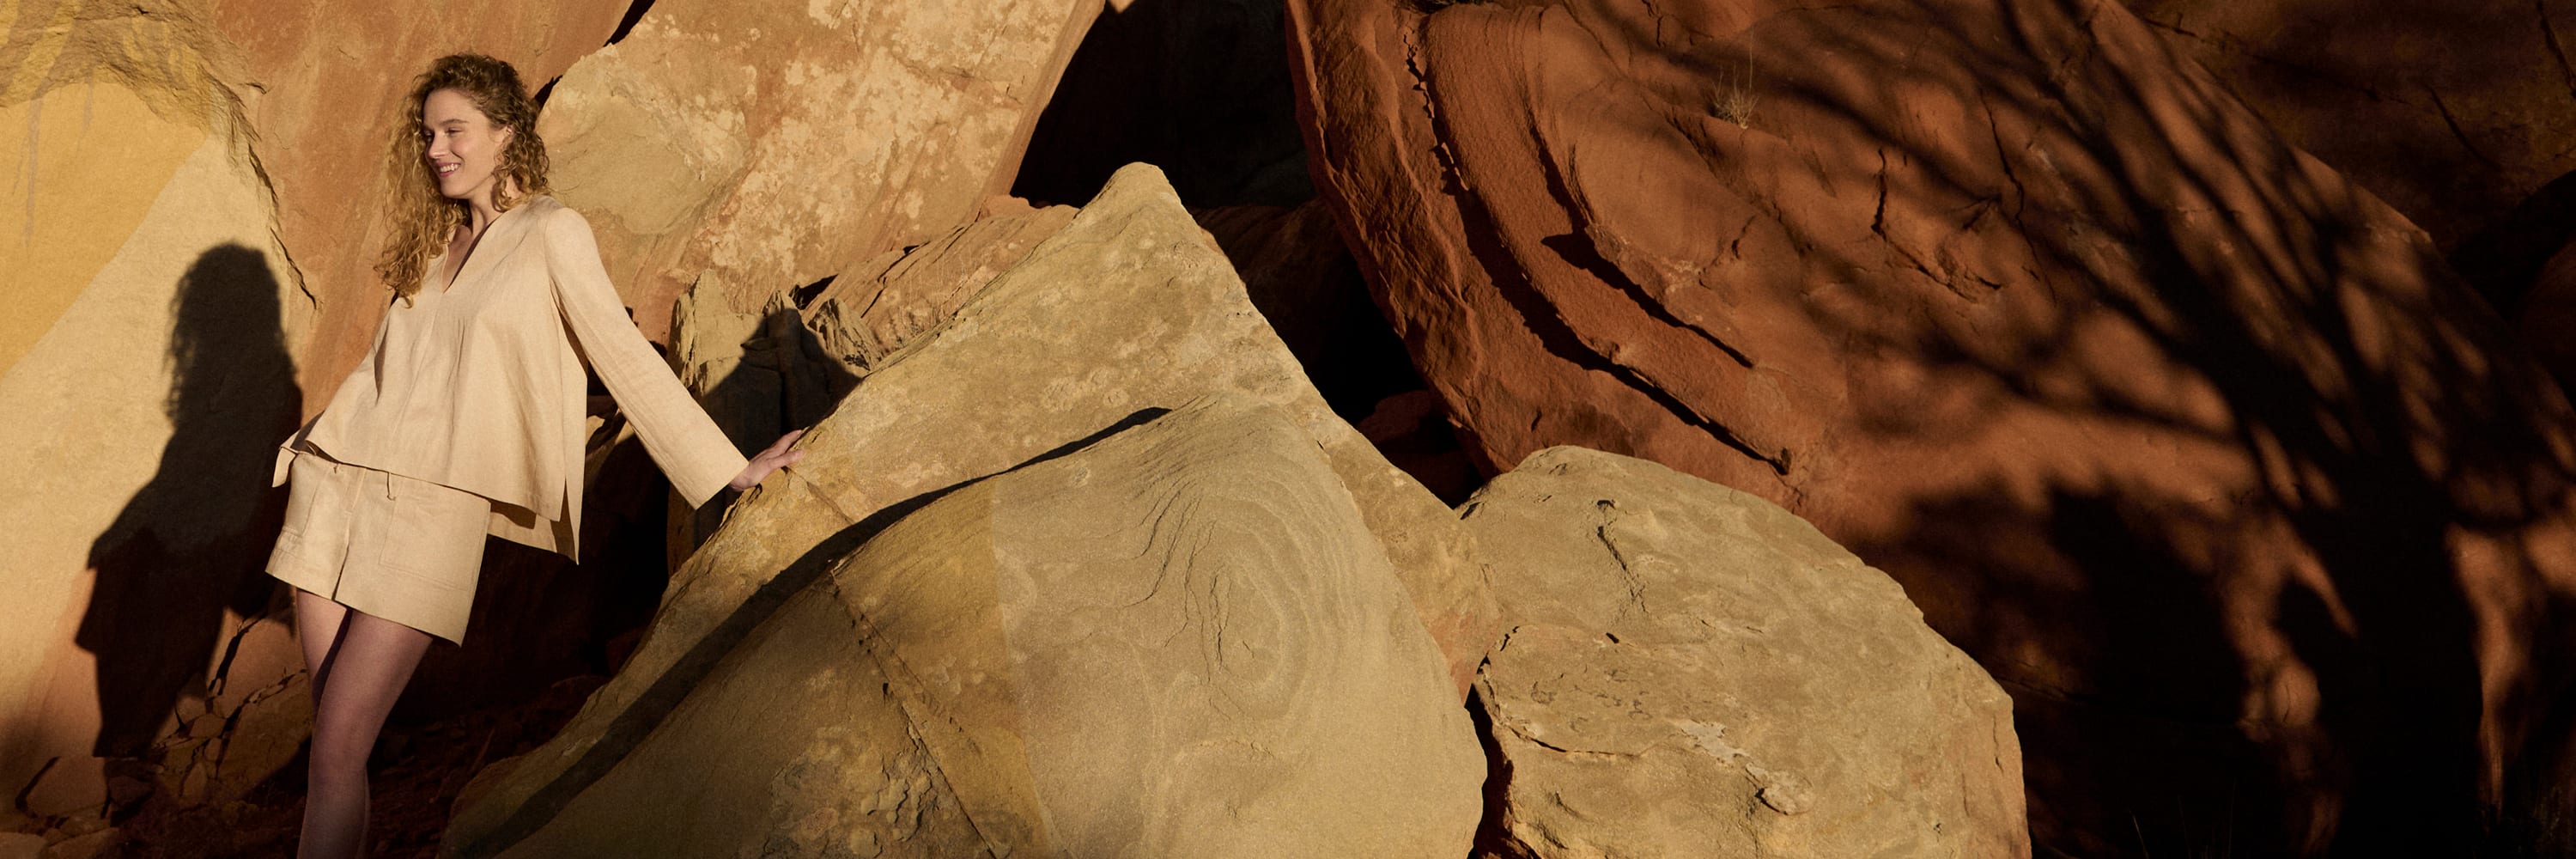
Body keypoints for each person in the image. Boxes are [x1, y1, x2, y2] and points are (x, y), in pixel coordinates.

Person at [262, 53, 804, 859]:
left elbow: (621, 353)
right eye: (428, 134)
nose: (437, 149)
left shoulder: (553, 232)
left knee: (340, 747)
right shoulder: (430, 242)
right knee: (334, 750)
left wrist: (731, 472)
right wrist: (312, 454)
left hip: (434, 509)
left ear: (506, 133)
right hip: (337, 486)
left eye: (455, 131)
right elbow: (386, 372)